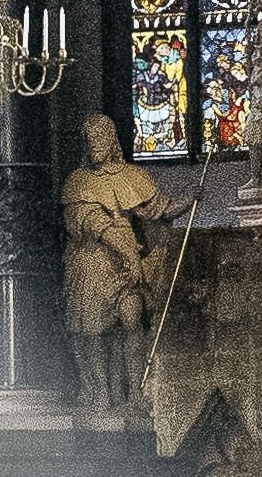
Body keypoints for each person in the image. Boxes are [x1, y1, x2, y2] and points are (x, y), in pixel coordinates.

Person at [62, 112, 185, 412]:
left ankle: (135, 392)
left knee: (132, 318)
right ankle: (101, 393)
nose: (95, 144)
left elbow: (157, 209)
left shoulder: (131, 176)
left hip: (126, 266)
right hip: (91, 266)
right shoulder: (79, 182)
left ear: (112, 139)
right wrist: (124, 249)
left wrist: (190, 201)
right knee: (93, 331)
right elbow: (88, 221)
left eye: (100, 137)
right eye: (89, 139)